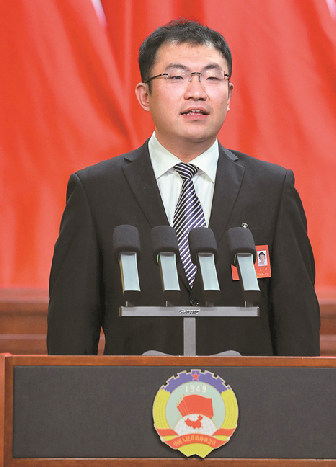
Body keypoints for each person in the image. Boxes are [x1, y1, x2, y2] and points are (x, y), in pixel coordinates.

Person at [47, 19, 320, 356]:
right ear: (144, 95)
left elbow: (298, 324)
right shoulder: (96, 191)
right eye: (176, 76)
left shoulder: (272, 189)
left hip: (246, 389)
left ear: (229, 95)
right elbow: (71, 330)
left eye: (212, 77)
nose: (196, 91)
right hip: (136, 388)